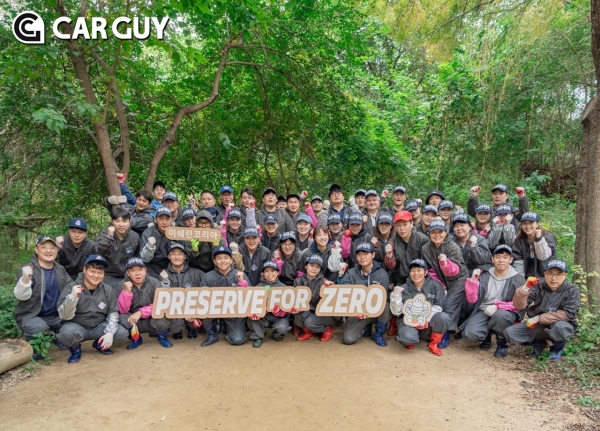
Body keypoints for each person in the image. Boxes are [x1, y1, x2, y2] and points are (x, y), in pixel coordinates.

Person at [56, 255, 128, 363]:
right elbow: (64, 316)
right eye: (92, 271)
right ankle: (75, 350)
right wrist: (72, 297)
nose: (96, 276)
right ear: (84, 270)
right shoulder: (71, 287)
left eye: (100, 273)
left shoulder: (107, 289)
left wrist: (109, 333)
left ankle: (99, 344)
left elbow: (113, 312)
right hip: (77, 326)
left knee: (121, 332)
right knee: (67, 333)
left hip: (99, 326)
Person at [504, 259, 580, 362]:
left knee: (560, 327)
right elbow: (519, 306)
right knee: (509, 333)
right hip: (539, 325)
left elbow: (567, 314)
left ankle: (557, 349)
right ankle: (538, 343)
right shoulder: (539, 286)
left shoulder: (572, 290)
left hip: (559, 324)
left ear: (565, 275)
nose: (553, 278)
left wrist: (538, 318)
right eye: (550, 273)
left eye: (558, 274)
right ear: (545, 274)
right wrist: (525, 289)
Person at [460, 245, 526, 357]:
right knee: (470, 334)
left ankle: (502, 343)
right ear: (492, 259)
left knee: (500, 316)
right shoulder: (484, 276)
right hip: (483, 310)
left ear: (511, 260)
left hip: (505, 312)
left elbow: (519, 304)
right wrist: (472, 282)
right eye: (498, 257)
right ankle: (487, 334)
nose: (501, 260)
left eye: (505, 257)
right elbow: (472, 299)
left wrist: (497, 307)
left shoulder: (518, 279)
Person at [13, 236, 70, 358]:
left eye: (52, 248)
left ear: (56, 251)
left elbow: (70, 288)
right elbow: (21, 296)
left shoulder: (60, 269)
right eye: (43, 247)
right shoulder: (28, 270)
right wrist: (24, 280)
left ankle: (56, 336)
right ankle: (35, 346)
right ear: (36, 250)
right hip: (34, 315)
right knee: (38, 327)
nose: (48, 251)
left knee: (74, 323)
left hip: (56, 315)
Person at [421, 219, 468, 349]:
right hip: (439, 279)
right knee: (437, 300)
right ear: (429, 233)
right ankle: (432, 329)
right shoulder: (426, 248)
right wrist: (439, 285)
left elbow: (454, 272)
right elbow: (429, 269)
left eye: (440, 232)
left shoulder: (453, 247)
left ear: (446, 233)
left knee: (450, 304)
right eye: (433, 232)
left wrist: (444, 262)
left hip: (457, 279)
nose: (437, 235)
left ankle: (446, 332)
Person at [116, 257, 179, 349]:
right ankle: (136, 338)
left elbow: (160, 304)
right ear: (127, 273)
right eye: (133, 270)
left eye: (140, 269)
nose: (137, 273)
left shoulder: (154, 282)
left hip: (152, 317)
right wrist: (126, 293)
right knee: (120, 317)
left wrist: (141, 312)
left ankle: (162, 337)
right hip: (134, 320)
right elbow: (122, 310)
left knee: (165, 312)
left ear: (145, 270)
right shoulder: (121, 285)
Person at [392, 259, 450, 356]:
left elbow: (439, 306)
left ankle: (434, 344)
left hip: (428, 323)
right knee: (408, 338)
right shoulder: (403, 287)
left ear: (426, 272)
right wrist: (395, 296)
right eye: (413, 270)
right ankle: (410, 339)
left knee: (443, 317)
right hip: (409, 322)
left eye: (419, 270)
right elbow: (397, 312)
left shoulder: (435, 285)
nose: (416, 273)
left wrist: (425, 319)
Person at [338, 242, 391, 346]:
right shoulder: (351, 273)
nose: (362, 257)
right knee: (348, 339)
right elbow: (346, 296)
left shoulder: (382, 274)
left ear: (373, 255)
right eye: (359, 254)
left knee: (386, 306)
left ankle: (378, 334)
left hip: (375, 311)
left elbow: (381, 299)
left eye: (366, 254)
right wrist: (355, 312)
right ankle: (364, 329)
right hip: (356, 311)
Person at [198, 246, 252, 347]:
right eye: (219, 258)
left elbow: (250, 296)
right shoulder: (208, 276)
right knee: (203, 311)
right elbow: (202, 299)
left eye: (226, 258)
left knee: (238, 340)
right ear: (214, 261)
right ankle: (212, 334)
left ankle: (228, 327)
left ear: (231, 260)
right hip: (214, 310)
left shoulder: (240, 274)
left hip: (234, 313)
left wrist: (242, 283)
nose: (223, 261)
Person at [159, 243, 205, 340]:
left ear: (185, 256)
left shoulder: (196, 272)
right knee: (175, 326)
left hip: (192, 307)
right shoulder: (164, 274)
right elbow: (162, 297)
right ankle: (178, 329)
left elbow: (207, 287)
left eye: (180, 254)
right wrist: (165, 281)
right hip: (175, 308)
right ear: (169, 256)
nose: (177, 257)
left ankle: (191, 328)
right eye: (173, 254)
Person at [248, 261, 292, 347]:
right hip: (264, 317)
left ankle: (277, 334)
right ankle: (258, 336)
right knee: (252, 317)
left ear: (278, 272)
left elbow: (288, 308)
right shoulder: (258, 287)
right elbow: (253, 305)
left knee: (281, 328)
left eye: (273, 271)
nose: (270, 274)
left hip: (279, 318)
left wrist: (280, 311)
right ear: (263, 273)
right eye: (266, 271)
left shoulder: (284, 288)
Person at [96, 207, 141, 288]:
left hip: (128, 275)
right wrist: (109, 237)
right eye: (117, 221)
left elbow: (137, 256)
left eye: (124, 221)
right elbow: (99, 253)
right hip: (108, 274)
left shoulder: (135, 236)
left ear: (129, 221)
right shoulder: (104, 234)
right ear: (112, 222)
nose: (121, 225)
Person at [294, 255, 335, 342]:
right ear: (306, 266)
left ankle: (327, 329)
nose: (314, 269)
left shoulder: (324, 282)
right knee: (297, 315)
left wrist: (329, 288)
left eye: (318, 267)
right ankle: (309, 333)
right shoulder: (298, 281)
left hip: (322, 314)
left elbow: (330, 303)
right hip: (307, 311)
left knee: (309, 322)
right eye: (312, 265)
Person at [512, 211, 556, 279]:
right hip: (528, 279)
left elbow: (544, 256)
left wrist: (539, 239)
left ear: (537, 223)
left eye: (531, 223)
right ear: (521, 225)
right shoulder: (519, 241)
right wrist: (520, 282)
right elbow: (518, 265)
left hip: (547, 277)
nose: (528, 226)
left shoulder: (548, 237)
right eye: (524, 223)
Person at [140, 207, 174, 278]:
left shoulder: (177, 233)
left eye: (167, 219)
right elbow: (144, 259)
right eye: (161, 218)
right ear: (155, 220)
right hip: (151, 265)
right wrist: (150, 247)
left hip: (172, 265)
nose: (164, 222)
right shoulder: (148, 232)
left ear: (172, 220)